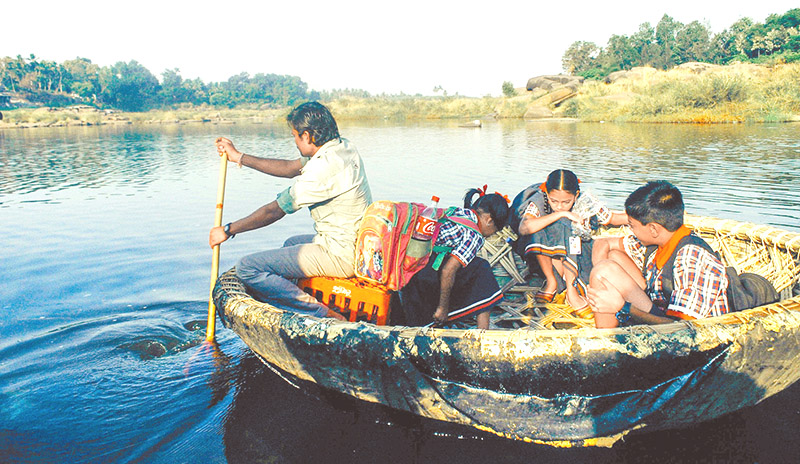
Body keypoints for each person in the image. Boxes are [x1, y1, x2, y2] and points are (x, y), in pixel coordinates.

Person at [209, 102, 372, 320]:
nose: (294, 141)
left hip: (342, 255)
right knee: (291, 243)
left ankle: (323, 314)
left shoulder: (321, 169)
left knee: (247, 268)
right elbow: (288, 168)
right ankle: (303, 299)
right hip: (355, 245)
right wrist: (238, 157)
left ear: (307, 136)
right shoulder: (342, 147)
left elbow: (274, 211)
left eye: (295, 136)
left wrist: (228, 230)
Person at [587, 180, 730, 328]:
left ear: (654, 229)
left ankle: (608, 343)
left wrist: (622, 307)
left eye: (632, 226)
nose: (631, 231)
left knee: (602, 271)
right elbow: (603, 243)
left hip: (688, 336)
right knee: (610, 261)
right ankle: (607, 331)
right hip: (662, 313)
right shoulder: (660, 241)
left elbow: (685, 328)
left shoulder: (691, 257)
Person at [513, 169, 628, 310]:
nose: (559, 206)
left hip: (577, 254)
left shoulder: (585, 202)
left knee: (567, 228)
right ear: (547, 194)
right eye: (554, 201)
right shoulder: (539, 200)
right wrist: (562, 214)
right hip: (548, 258)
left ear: (576, 195)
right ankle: (551, 281)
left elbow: (612, 218)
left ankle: (571, 289)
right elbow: (524, 227)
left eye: (566, 202)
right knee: (549, 226)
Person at [400, 188, 510, 330]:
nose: (489, 236)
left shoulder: (457, 212)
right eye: (494, 231)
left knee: (471, 265)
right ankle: (483, 331)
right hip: (422, 277)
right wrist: (442, 308)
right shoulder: (474, 235)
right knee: (482, 268)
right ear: (489, 220)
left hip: (409, 266)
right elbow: (448, 270)